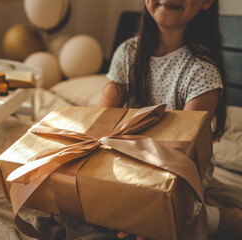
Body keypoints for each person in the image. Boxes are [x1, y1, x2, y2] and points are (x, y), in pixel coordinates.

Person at [98, 0, 242, 239]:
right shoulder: (127, 53)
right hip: (129, 160)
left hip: (180, 167)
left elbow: (183, 154)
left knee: (162, 219)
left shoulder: (202, 70)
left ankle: (218, 218)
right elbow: (100, 124)